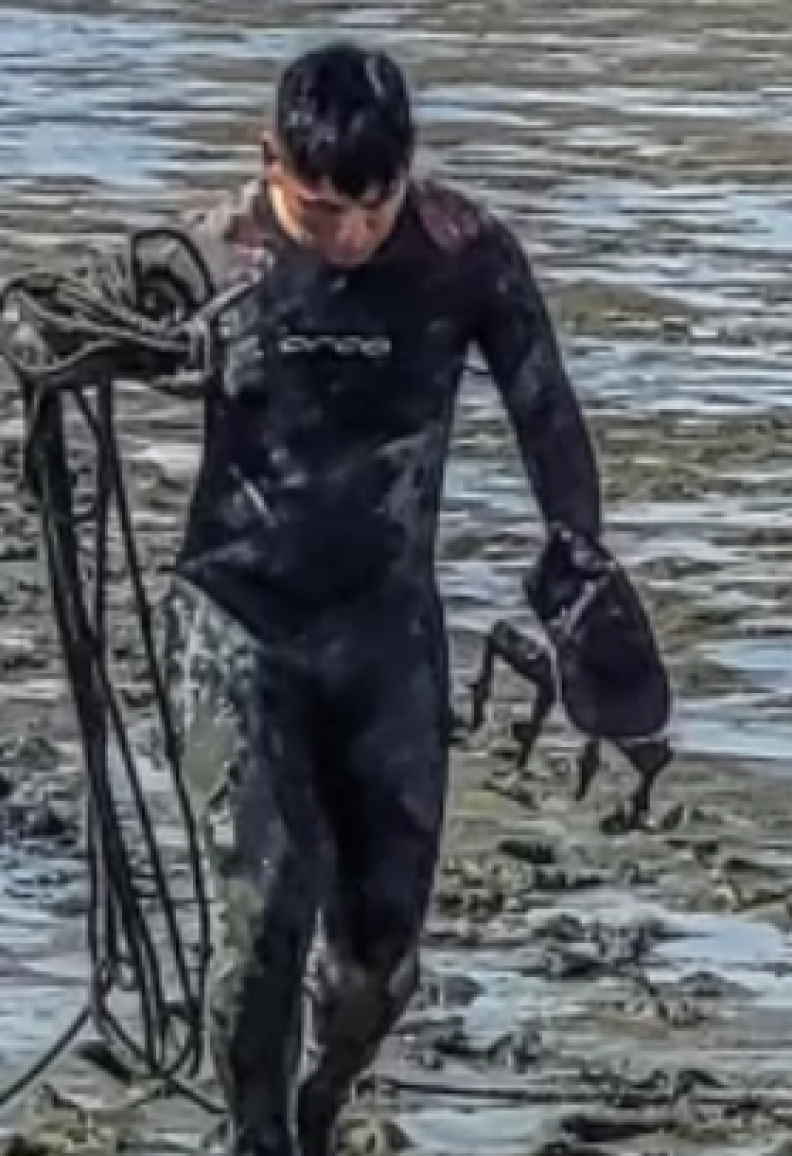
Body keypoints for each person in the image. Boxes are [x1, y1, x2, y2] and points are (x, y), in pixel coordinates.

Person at [14, 41, 645, 1156]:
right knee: (263, 912)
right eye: (320, 206)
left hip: (386, 627)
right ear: (269, 164)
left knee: (380, 957)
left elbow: (546, 408)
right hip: (235, 617)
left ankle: (319, 1100)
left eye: (373, 201)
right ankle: (257, 1139)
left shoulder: (465, 252)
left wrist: (578, 553)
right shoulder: (211, 256)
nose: (350, 230)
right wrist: (58, 346)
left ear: (407, 171)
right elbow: (56, 327)